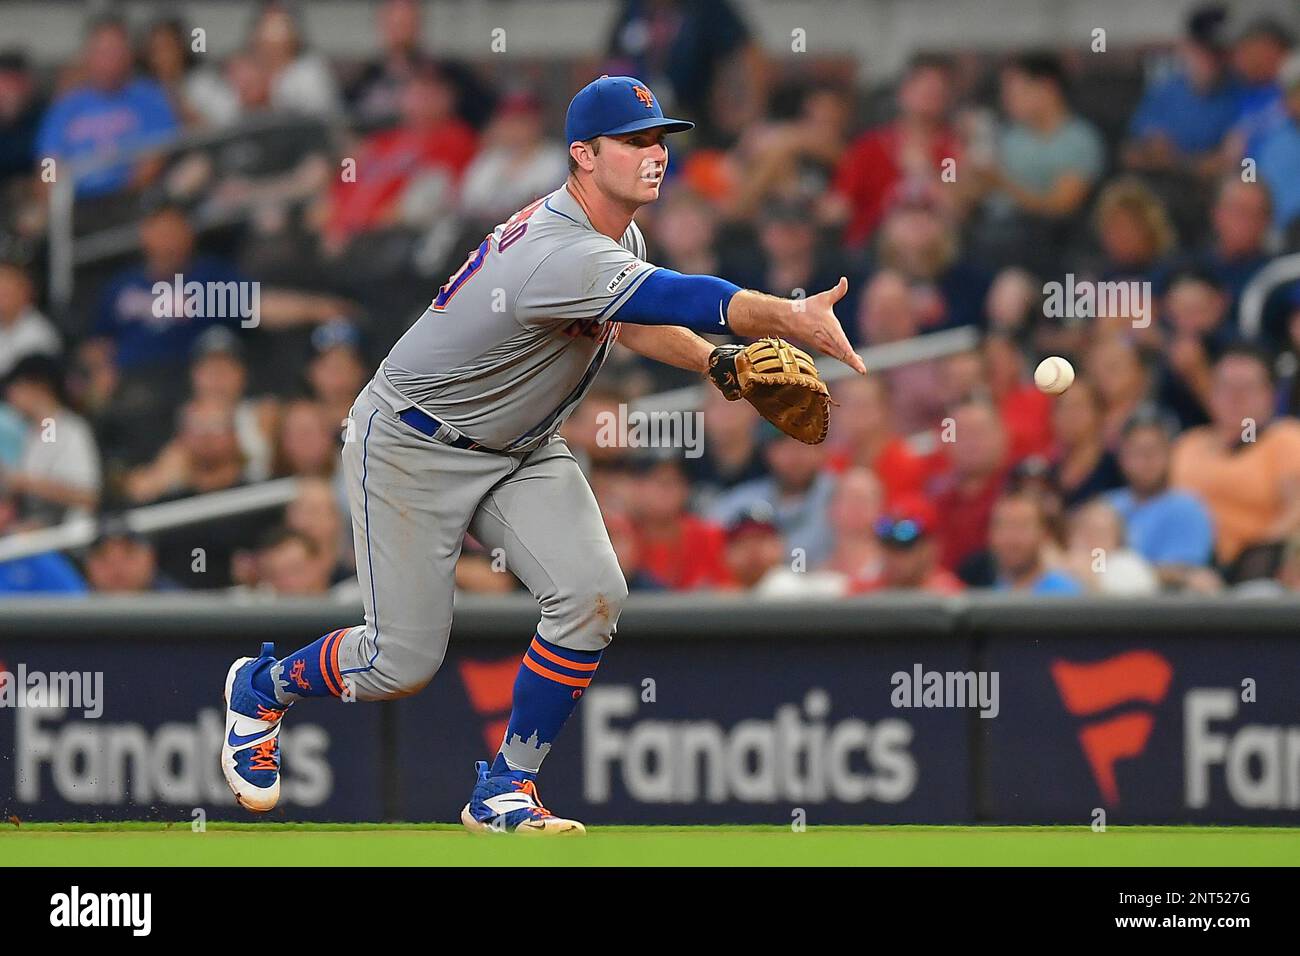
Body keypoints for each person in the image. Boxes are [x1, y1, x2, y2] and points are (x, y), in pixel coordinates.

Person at [216, 75, 863, 834]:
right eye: (634, 142)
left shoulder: (615, 238)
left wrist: (717, 364)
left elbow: (631, 316)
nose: (655, 155)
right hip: (411, 445)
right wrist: (785, 315)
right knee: (400, 665)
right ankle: (263, 686)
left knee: (593, 595)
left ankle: (504, 788)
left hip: (520, 445)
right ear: (582, 155)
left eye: (659, 139)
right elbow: (687, 297)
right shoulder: (559, 249)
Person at [1170, 345, 1300, 572]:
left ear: (1270, 395)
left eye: (1247, 388)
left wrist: (1249, 560)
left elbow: (1296, 510)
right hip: (1183, 566)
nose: (1235, 397)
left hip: (1255, 568)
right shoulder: (1187, 444)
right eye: (1225, 387)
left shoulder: (1284, 438)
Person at [1107, 407, 1217, 591]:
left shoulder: (1187, 508)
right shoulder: (1106, 506)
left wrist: (1124, 573)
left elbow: (1186, 573)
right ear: (1122, 457)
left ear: (1170, 453)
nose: (1146, 459)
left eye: (1154, 450)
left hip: (1163, 611)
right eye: (1137, 451)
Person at [2, 355, 101, 525]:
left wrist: (26, 482)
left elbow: (88, 496)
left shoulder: (71, 430)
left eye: (15, 387)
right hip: (33, 534)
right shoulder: (35, 434)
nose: (10, 396)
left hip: (68, 538)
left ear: (38, 387)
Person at [988, 490, 1083, 595]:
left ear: (1045, 535)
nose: (1011, 539)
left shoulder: (1068, 596)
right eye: (1003, 527)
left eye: (1022, 527)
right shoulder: (980, 589)